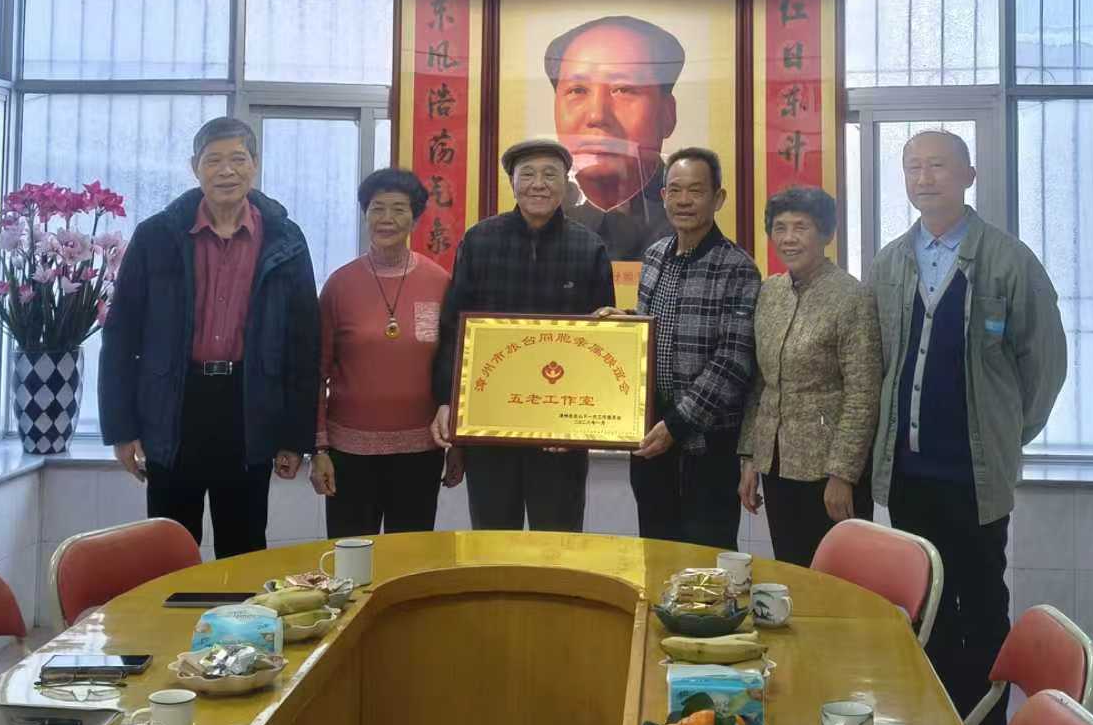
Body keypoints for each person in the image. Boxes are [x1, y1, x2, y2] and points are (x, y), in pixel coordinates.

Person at [868, 131, 1067, 725]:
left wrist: (1008, 433)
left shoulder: (1008, 261)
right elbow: (880, 362)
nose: (924, 178)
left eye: (938, 166)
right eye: (913, 167)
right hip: (909, 472)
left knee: (980, 603)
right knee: (923, 604)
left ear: (969, 176)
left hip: (975, 478)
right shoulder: (890, 262)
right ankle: (929, 723)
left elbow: (1045, 363)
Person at [99, 116, 320, 558]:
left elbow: (303, 344)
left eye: (238, 159)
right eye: (213, 160)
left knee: (244, 548)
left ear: (254, 164)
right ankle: (172, 610)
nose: (226, 171)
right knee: (170, 548)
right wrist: (121, 429)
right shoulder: (157, 236)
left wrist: (296, 436)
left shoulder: (286, 240)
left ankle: (239, 609)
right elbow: (121, 335)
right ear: (194, 167)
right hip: (173, 405)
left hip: (249, 406)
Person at [429, 138, 615, 531]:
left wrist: (582, 424)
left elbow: (600, 346)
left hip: (560, 429)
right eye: (527, 174)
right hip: (490, 424)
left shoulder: (589, 248)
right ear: (512, 182)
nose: (538, 184)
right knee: (494, 542)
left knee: (559, 543)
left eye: (550, 175)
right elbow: (453, 329)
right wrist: (447, 399)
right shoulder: (479, 241)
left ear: (565, 183)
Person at [618, 147, 761, 550]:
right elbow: (654, 327)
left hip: (708, 444)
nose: (684, 200)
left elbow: (733, 360)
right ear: (663, 196)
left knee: (706, 557)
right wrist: (621, 323)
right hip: (650, 438)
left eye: (696, 191)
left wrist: (677, 424)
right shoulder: (654, 256)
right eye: (675, 190)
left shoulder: (738, 267)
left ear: (718, 198)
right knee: (655, 550)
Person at [309, 168, 464, 537]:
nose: (387, 219)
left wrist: (459, 444)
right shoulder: (340, 285)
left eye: (398, 209)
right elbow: (316, 371)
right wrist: (318, 448)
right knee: (351, 559)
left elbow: (455, 366)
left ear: (415, 218)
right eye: (377, 208)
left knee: (409, 559)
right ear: (365, 215)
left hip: (421, 451)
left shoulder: (439, 282)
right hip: (349, 454)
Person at [736, 185, 881, 568]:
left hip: (828, 472)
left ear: (826, 233)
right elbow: (760, 384)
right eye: (780, 228)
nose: (788, 238)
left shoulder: (852, 297)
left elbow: (863, 393)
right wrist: (750, 457)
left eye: (801, 227)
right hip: (776, 464)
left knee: (838, 581)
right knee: (792, 574)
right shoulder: (770, 293)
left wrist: (843, 474)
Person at [545, 15, 685, 261]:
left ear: (667, 114)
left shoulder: (687, 220)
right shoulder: (541, 218)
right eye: (577, 90)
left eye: (623, 89)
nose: (597, 115)